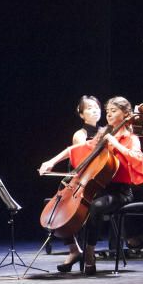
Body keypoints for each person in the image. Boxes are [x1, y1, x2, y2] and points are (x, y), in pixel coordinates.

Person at [61, 97, 143, 276]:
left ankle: (90, 253)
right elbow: (74, 150)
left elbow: (137, 158)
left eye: (113, 111)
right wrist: (51, 161)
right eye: (107, 111)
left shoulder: (130, 138)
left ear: (125, 114)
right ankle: (75, 250)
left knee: (95, 207)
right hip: (101, 189)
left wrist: (114, 143)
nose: (108, 114)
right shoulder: (102, 135)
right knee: (77, 205)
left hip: (121, 192)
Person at [38, 95, 103, 272]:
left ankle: (84, 251)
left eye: (96, 106)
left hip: (95, 181)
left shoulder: (105, 132)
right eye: (89, 108)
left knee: (92, 208)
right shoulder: (80, 135)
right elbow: (81, 157)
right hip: (78, 179)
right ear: (81, 114)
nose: (95, 110)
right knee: (60, 211)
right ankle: (74, 250)